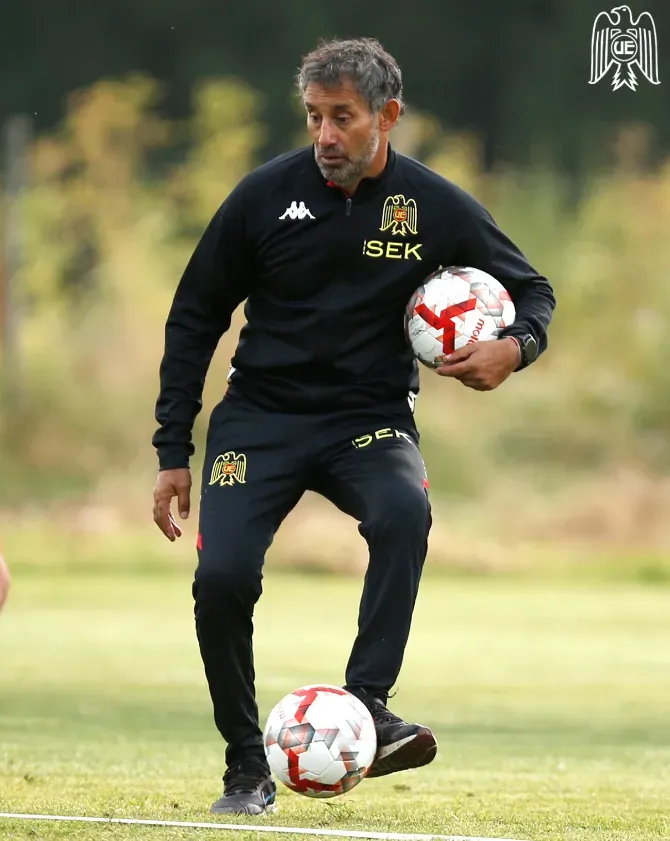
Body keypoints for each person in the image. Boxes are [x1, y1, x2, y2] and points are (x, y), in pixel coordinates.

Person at [152, 37, 556, 816]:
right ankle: (245, 766)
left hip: (368, 421)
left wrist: (513, 347)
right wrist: (174, 447)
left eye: (343, 117)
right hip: (258, 421)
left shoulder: (432, 205)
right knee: (222, 577)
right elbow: (193, 317)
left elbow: (532, 290)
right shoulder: (263, 197)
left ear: (388, 116)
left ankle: (368, 703)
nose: (325, 135)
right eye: (314, 117)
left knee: (405, 512)